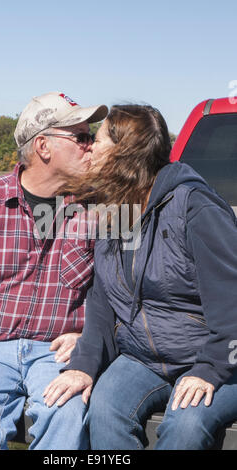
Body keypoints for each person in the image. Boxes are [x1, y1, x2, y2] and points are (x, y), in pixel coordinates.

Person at [43, 103, 237, 450]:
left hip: (217, 359)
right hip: (144, 359)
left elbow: (233, 302)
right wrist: (85, 364)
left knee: (186, 425)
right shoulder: (114, 210)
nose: (90, 147)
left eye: (98, 140)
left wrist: (210, 369)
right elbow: (102, 300)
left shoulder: (194, 207)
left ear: (123, 152)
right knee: (104, 408)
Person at [0, 91, 108, 450]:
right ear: (43, 146)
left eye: (91, 137)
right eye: (81, 137)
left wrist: (90, 338)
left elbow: (123, 293)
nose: (91, 146)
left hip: (60, 349)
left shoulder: (101, 209)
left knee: (69, 415)